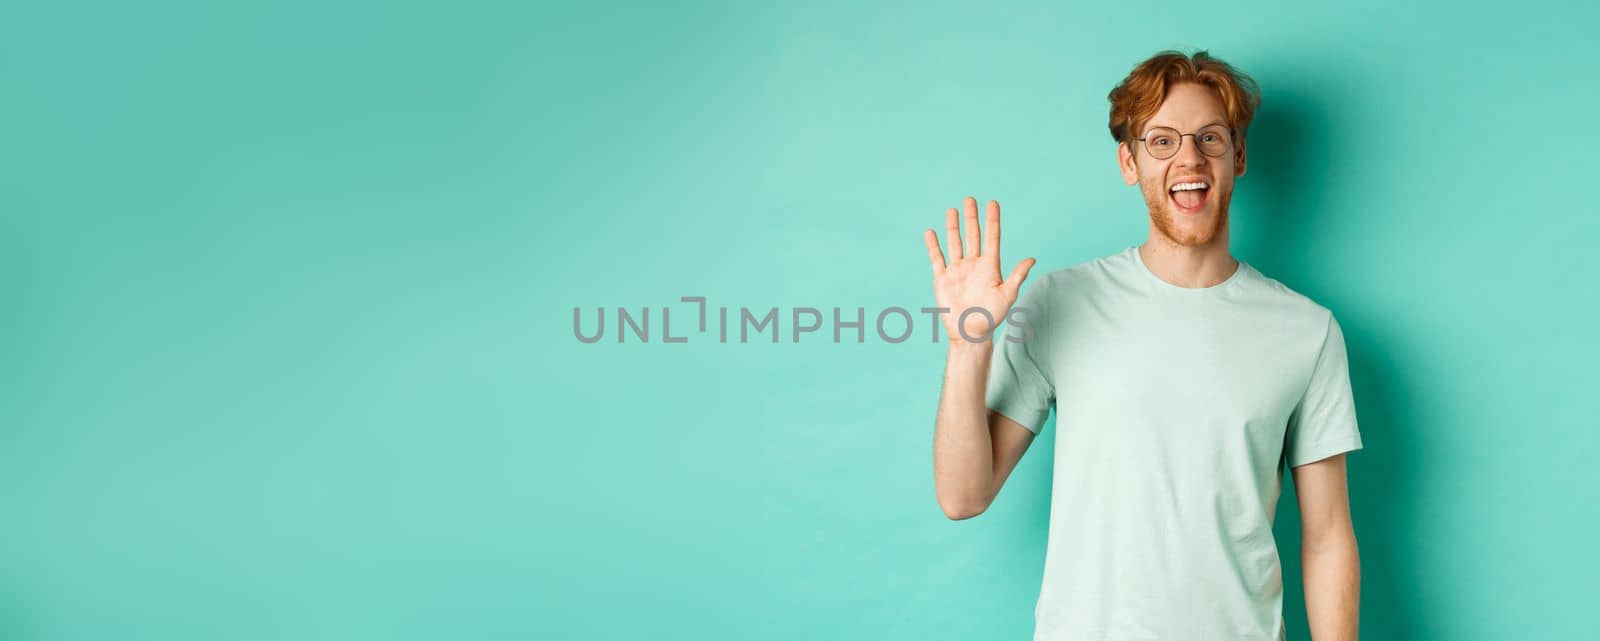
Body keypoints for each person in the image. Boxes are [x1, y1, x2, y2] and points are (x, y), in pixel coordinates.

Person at [924, 50, 1362, 641]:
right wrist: (967, 345)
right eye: (1162, 141)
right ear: (1129, 161)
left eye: (1209, 137)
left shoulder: (1307, 331)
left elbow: (1329, 535)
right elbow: (962, 494)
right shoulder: (1060, 303)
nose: (1189, 157)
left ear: (1238, 155)